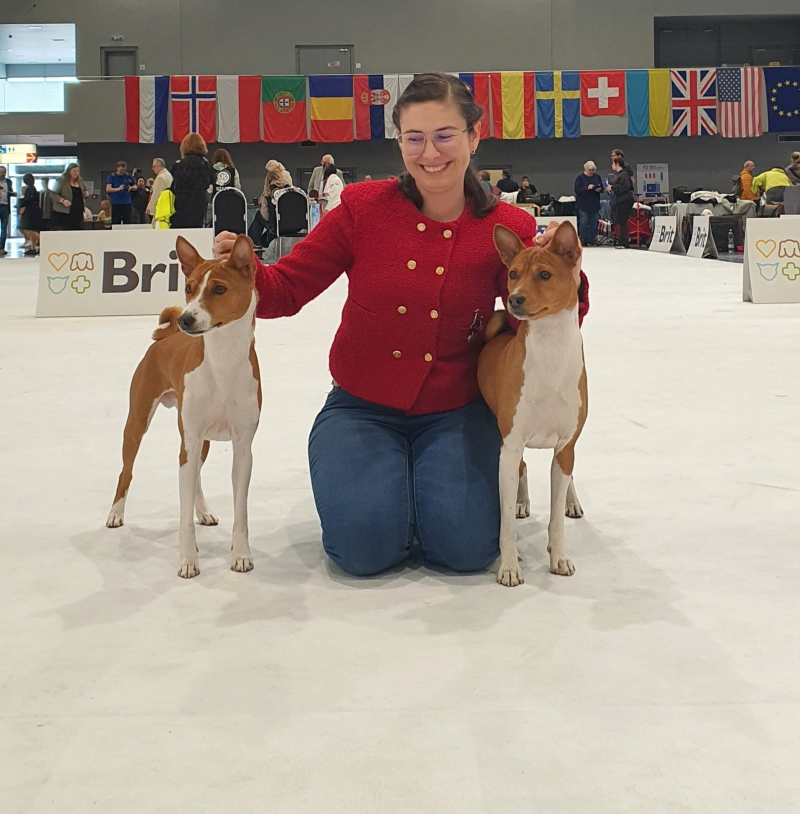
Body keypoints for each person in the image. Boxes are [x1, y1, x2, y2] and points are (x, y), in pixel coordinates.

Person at [213, 72, 589, 578]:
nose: (429, 152)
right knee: (361, 550)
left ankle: (423, 497)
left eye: (444, 135)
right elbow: (286, 290)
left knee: (468, 551)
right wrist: (242, 272)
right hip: (362, 406)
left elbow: (548, 319)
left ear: (474, 137)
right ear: (399, 143)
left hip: (457, 409)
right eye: (414, 138)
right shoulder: (362, 210)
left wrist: (567, 279)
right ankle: (390, 495)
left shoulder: (511, 228)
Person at [170, 133, 214, 229]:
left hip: (182, 200)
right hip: (200, 200)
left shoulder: (179, 165)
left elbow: (175, 182)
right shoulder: (206, 164)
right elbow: (211, 181)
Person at [607, 156, 635, 248]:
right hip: (620, 200)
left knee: (622, 221)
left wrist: (613, 187)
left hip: (625, 200)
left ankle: (624, 242)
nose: (612, 165)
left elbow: (624, 187)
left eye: (613, 163)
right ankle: (622, 240)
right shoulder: (618, 175)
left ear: (617, 164)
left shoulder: (624, 174)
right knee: (620, 221)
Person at [574, 161, 603, 247]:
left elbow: (601, 188)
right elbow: (577, 190)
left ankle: (592, 238)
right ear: (585, 169)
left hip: (594, 204)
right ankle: (583, 238)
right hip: (583, 204)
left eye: (593, 170)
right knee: (584, 221)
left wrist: (599, 189)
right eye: (590, 170)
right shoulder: (580, 178)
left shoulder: (597, 177)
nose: (591, 172)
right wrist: (587, 188)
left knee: (594, 222)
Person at [54, 163, 89, 231]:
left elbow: (84, 189)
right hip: (65, 211)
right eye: (74, 171)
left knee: (78, 230)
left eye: (77, 171)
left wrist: (85, 192)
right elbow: (52, 194)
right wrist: (62, 200)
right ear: (69, 171)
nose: (76, 173)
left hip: (78, 210)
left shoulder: (80, 180)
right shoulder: (60, 180)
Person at [106, 160, 136, 225]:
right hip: (116, 203)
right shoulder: (112, 176)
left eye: (124, 169)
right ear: (117, 168)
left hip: (127, 203)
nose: (123, 171)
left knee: (128, 222)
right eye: (121, 169)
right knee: (116, 222)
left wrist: (131, 188)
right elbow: (108, 189)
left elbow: (135, 186)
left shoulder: (128, 175)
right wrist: (118, 189)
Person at [18, 174, 42, 256]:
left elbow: (27, 200)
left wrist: (21, 202)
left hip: (30, 212)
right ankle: (32, 247)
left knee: (30, 230)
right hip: (35, 211)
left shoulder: (29, 189)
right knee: (32, 231)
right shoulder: (34, 189)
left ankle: (43, 243)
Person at [147, 158, 173, 225]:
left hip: (161, 208)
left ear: (160, 166)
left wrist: (149, 208)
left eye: (154, 167)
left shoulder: (160, 178)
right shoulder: (168, 175)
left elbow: (156, 195)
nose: (152, 169)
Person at [0, 165, 16, 257]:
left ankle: (2, 248)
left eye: (4, 172)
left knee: (4, 228)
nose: (3, 174)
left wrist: (12, 193)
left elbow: (11, 191)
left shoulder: (9, 182)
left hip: (5, 207)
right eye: (1, 172)